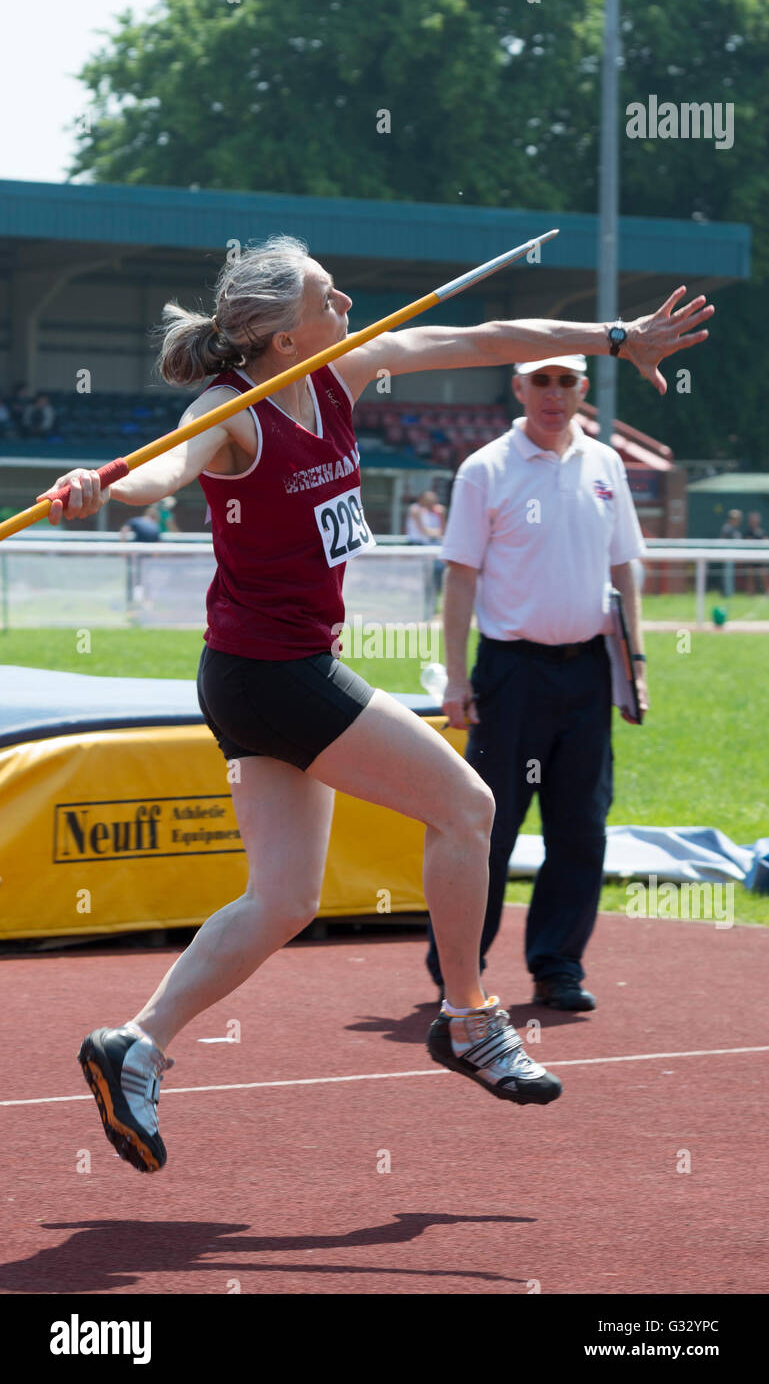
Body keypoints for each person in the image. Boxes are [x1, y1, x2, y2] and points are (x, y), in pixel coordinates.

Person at [38, 237, 712, 1172]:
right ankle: (470, 1019)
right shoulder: (229, 412)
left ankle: (135, 1045)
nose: (348, 298)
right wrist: (99, 486)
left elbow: (480, 336)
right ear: (279, 334)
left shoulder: (344, 372)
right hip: (272, 674)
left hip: (261, 671)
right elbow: (165, 467)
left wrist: (613, 334)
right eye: (326, 293)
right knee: (469, 806)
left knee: (282, 898)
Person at [425, 355, 648, 1012]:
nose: (554, 394)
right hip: (509, 673)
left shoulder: (606, 465)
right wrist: (456, 679)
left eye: (566, 381)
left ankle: (558, 966)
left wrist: (633, 666)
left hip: (586, 671)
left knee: (581, 826)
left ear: (582, 388)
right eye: (540, 381)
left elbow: (624, 568)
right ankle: (458, 968)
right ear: (517, 387)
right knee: (488, 826)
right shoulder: (484, 469)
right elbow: (459, 577)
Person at [406, 489, 446, 615]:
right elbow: (423, 531)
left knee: (432, 578)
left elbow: (442, 531)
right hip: (418, 547)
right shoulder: (415, 509)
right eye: (429, 499)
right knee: (419, 579)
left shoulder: (434, 513)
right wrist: (436, 533)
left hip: (431, 548)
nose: (432, 502)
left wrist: (441, 516)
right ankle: (416, 606)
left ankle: (431, 606)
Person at [719, 508, 743, 597]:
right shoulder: (727, 528)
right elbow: (722, 542)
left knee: (730, 575)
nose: (738, 520)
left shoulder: (735, 529)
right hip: (727, 556)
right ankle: (727, 594)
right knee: (727, 576)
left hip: (733, 556)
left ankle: (729, 593)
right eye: (736, 518)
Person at [745, 511, 769, 595]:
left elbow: (766, 541)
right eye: (752, 520)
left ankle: (767, 593)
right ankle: (751, 594)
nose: (754, 522)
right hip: (751, 558)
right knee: (750, 577)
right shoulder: (748, 532)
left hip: (760, 558)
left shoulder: (762, 532)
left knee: (764, 577)